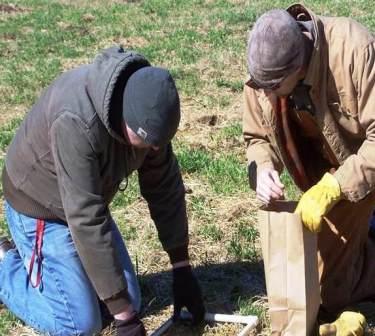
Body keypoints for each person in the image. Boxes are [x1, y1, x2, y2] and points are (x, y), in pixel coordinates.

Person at [0, 46, 205, 336]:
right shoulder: (75, 121)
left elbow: (164, 187)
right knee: (79, 324)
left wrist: (181, 266)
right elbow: (86, 217)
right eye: (149, 142)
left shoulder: (149, 111)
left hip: (83, 201)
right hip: (40, 206)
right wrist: (125, 319)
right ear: (125, 118)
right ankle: (5, 265)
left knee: (129, 300)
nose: (155, 150)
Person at [244, 4, 374, 335]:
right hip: (330, 179)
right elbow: (256, 137)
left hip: (361, 172)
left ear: (299, 66)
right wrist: (261, 168)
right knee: (313, 287)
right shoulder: (265, 73)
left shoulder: (354, 49)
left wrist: (335, 186)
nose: (265, 93)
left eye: (273, 87)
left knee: (330, 289)